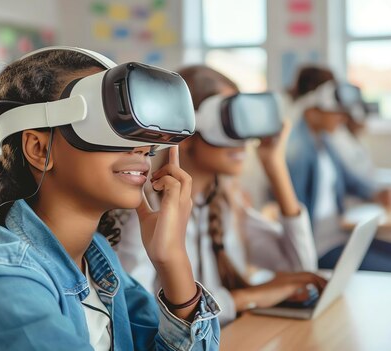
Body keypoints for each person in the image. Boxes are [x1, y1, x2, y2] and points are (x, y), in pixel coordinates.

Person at [0, 47, 220, 350]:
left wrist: (173, 262)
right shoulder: (3, 281)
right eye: (110, 124)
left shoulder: (96, 256)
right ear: (38, 149)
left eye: (137, 132)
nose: (140, 148)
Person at [116, 65, 326, 326]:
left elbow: (300, 268)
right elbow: (137, 315)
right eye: (229, 121)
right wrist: (243, 299)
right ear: (188, 127)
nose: (242, 139)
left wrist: (274, 165)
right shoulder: (147, 210)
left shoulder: (227, 204)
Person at [286, 79, 391, 274]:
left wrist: (376, 194)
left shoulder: (324, 141)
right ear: (312, 112)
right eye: (337, 113)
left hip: (339, 236)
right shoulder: (297, 151)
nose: (343, 119)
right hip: (319, 248)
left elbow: (350, 180)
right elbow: (294, 210)